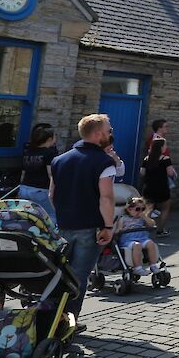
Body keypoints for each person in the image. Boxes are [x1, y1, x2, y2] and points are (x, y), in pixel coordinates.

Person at [48, 115, 118, 326]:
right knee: (78, 277)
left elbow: (52, 195)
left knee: (57, 273)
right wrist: (108, 226)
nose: (111, 133)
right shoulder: (104, 162)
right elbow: (106, 198)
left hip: (64, 225)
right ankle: (69, 321)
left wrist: (64, 214)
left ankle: (50, 316)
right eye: (108, 129)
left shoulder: (59, 160)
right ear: (97, 134)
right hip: (91, 227)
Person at [18, 124, 59, 224]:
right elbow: (51, 175)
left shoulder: (28, 151)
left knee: (29, 216)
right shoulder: (49, 153)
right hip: (40, 190)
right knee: (50, 216)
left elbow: (23, 173)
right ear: (50, 139)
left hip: (25, 187)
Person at [114, 196, 164, 276]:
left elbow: (152, 224)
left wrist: (145, 216)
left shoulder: (142, 218)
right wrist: (118, 231)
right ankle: (138, 268)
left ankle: (153, 265)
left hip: (142, 238)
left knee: (151, 243)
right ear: (129, 209)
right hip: (128, 240)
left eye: (143, 209)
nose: (140, 212)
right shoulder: (123, 218)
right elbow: (119, 229)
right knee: (137, 245)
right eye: (137, 209)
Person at [140, 137, 176, 237]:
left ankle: (145, 228)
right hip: (162, 187)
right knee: (165, 208)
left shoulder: (147, 159)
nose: (166, 147)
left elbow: (142, 172)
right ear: (161, 147)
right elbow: (170, 172)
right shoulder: (165, 159)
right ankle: (160, 230)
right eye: (165, 145)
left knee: (148, 209)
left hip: (149, 187)